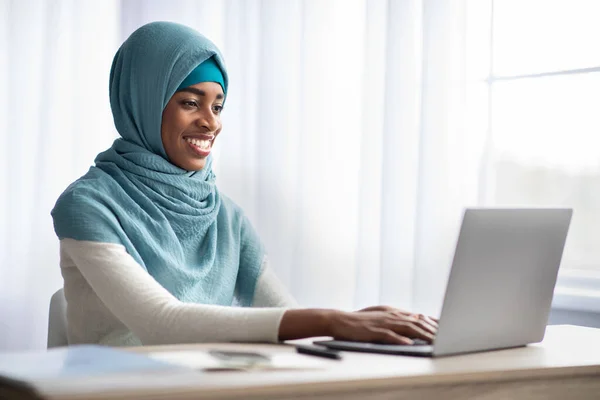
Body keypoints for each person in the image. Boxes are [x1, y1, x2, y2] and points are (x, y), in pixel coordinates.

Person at [51, 21, 437, 346]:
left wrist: (359, 324)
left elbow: (284, 316)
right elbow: (161, 323)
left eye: (217, 106)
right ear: (144, 101)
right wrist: (331, 321)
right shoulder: (88, 204)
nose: (212, 122)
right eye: (190, 102)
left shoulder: (224, 215)